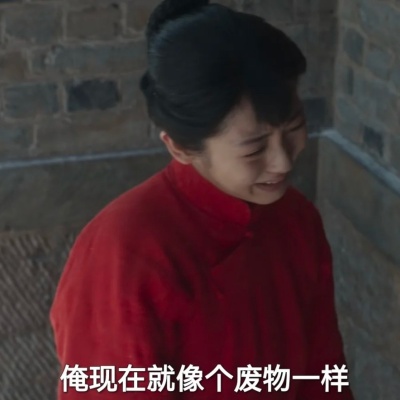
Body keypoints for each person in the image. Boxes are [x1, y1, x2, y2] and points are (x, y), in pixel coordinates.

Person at [50, 0, 354, 399]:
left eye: (294, 127)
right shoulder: (124, 252)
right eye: (254, 148)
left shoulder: (296, 218)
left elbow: (324, 373)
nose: (282, 161)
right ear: (179, 147)